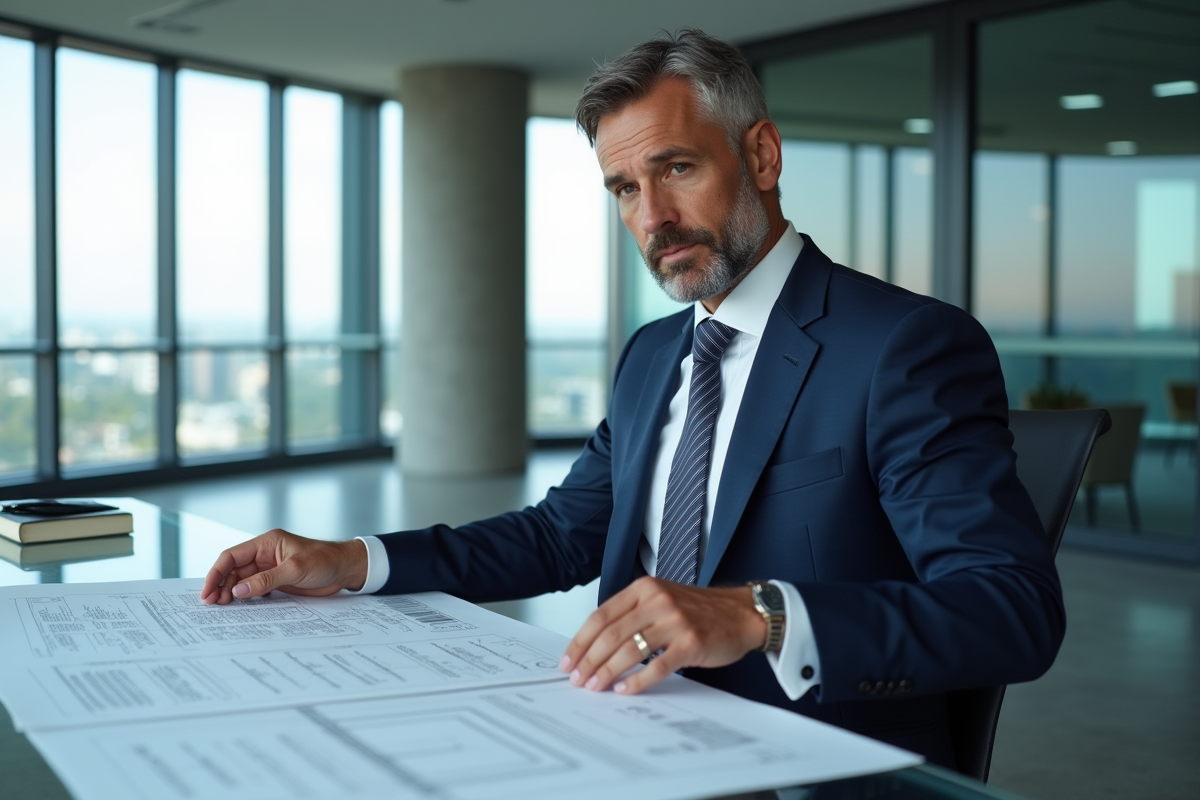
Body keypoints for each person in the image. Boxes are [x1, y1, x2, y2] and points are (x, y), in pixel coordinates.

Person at [200, 29, 1064, 768]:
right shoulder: (654, 354)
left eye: (676, 168)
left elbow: (1011, 609)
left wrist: (759, 613)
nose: (652, 217)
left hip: (802, 764)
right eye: (623, 188)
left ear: (762, 156)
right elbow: (559, 534)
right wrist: (354, 560)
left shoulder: (903, 346)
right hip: (623, 735)